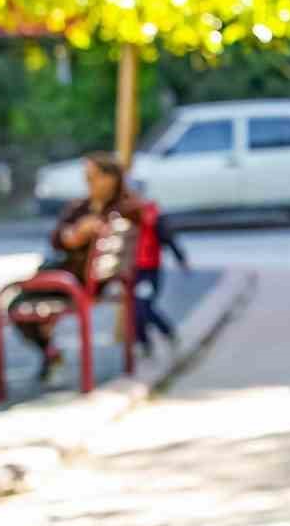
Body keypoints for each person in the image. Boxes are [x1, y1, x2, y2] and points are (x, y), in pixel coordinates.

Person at [10, 152, 140, 382]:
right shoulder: (83, 207)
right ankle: (49, 351)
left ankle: (49, 352)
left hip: (77, 282)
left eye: (94, 176)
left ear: (111, 178)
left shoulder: (120, 210)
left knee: (16, 306)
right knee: (25, 302)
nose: (89, 181)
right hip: (75, 278)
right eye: (87, 176)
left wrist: (87, 233)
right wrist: (73, 235)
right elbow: (58, 239)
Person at [133, 200, 186, 357]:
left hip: (149, 270)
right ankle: (144, 344)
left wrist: (181, 258)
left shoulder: (152, 215)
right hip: (132, 271)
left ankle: (167, 333)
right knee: (135, 309)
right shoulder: (122, 213)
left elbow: (168, 237)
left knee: (142, 306)